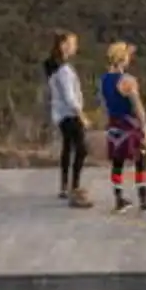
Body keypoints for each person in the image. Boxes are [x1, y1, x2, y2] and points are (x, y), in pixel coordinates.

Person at [98, 40, 146, 212]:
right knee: (142, 158)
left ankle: (118, 198)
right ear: (122, 58)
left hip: (114, 124)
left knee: (117, 162)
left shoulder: (104, 80)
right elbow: (138, 106)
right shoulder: (127, 80)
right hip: (129, 124)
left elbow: (105, 104)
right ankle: (144, 197)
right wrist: (145, 128)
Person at [43, 31, 92, 207]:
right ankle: (75, 186)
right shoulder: (63, 70)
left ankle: (65, 185)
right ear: (63, 45)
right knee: (81, 149)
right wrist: (82, 115)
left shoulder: (54, 66)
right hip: (69, 114)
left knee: (68, 146)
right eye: (72, 43)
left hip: (60, 114)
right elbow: (69, 97)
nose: (75, 47)